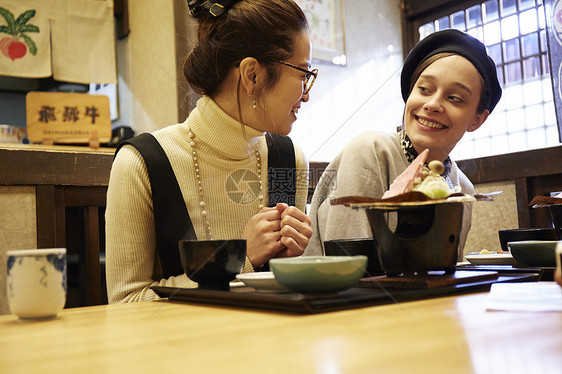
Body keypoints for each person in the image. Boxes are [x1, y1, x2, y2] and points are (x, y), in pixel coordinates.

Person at [106, 0, 314, 303]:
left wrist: (293, 260)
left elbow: (285, 292)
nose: (306, 94)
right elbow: (126, 301)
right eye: (303, 73)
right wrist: (238, 259)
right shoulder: (142, 164)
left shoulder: (288, 160)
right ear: (252, 75)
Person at [305, 29, 502, 258]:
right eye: (424, 89)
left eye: (454, 98)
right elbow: (349, 265)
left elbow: (446, 270)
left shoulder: (462, 188)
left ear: (478, 119)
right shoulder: (371, 151)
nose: (433, 104)